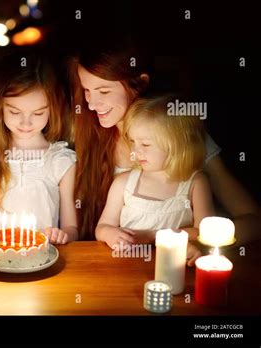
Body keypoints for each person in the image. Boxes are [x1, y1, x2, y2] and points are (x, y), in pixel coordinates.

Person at [68, 44, 260, 244]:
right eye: (87, 90)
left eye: (104, 91)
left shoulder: (183, 138)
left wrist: (171, 238)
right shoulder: (86, 135)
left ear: (140, 83)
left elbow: (253, 221)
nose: (91, 104)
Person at [0, 54, 78, 244]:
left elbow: (71, 227)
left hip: (40, 261)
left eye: (38, 113)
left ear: (51, 109)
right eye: (14, 112)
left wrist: (63, 236)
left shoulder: (61, 161)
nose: (26, 122)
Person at [96, 96, 213, 265]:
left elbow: (203, 232)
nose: (135, 150)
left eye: (145, 145)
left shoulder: (195, 183)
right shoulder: (124, 183)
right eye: (133, 142)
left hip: (174, 264)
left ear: (177, 145)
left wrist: (152, 236)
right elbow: (102, 227)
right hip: (126, 265)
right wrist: (109, 234)